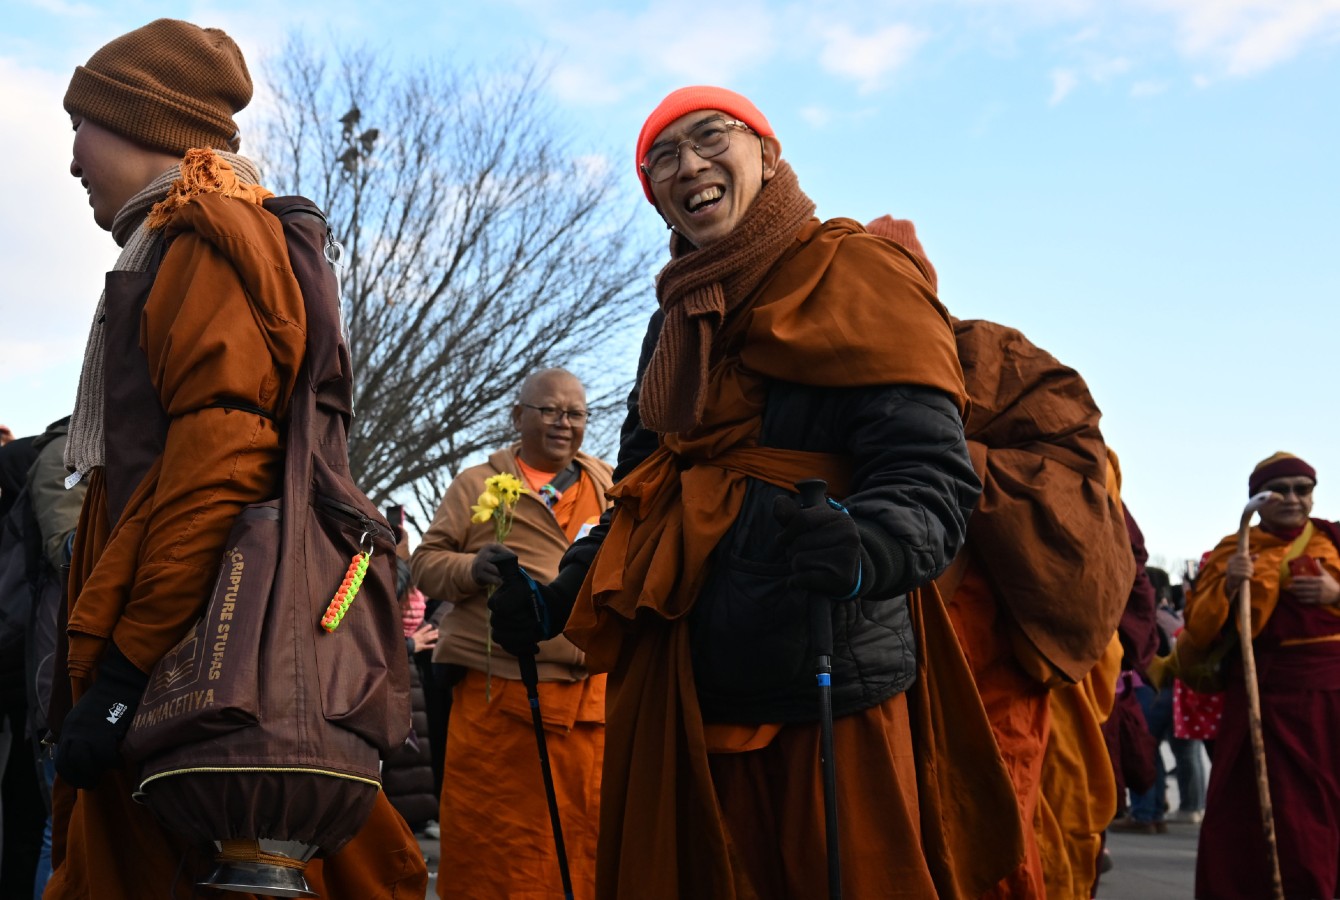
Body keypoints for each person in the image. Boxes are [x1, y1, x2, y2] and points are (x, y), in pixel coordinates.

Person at [490, 87, 1023, 899]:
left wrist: (869, 547)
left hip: (829, 665)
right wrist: (558, 595)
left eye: (711, 139)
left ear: (767, 155)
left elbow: (930, 474)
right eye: (661, 159)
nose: (689, 166)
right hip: (689, 673)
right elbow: (644, 493)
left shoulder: (854, 271)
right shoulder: (675, 321)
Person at [45, 19, 426, 898]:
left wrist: (121, 673)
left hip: (192, 663)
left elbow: (219, 471)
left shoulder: (201, 246)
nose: (70, 158)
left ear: (148, 126)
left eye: (84, 125)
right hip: (188, 647)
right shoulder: (182, 244)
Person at [865, 214, 1135, 899]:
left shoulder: (992, 359)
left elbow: (1077, 494)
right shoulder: (831, 377)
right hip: (873, 653)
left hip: (990, 657)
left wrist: (941, 465)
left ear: (929, 288)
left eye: (900, 282)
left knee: (988, 841)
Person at [411, 367, 613, 899]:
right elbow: (426, 562)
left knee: (583, 846)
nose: (562, 424)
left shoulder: (610, 484)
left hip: (592, 702)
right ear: (517, 415)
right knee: (495, 851)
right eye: (548, 411)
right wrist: (472, 569)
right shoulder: (478, 483)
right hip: (498, 694)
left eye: (575, 414)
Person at [1180, 452, 1340, 899]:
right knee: (1256, 815)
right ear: (1256, 499)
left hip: (1330, 699)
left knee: (1320, 816)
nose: (1292, 499)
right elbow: (1199, 629)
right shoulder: (1235, 550)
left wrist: (1336, 592)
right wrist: (1230, 585)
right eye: (1279, 490)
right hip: (1263, 700)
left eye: (1302, 489)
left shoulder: (1333, 540)